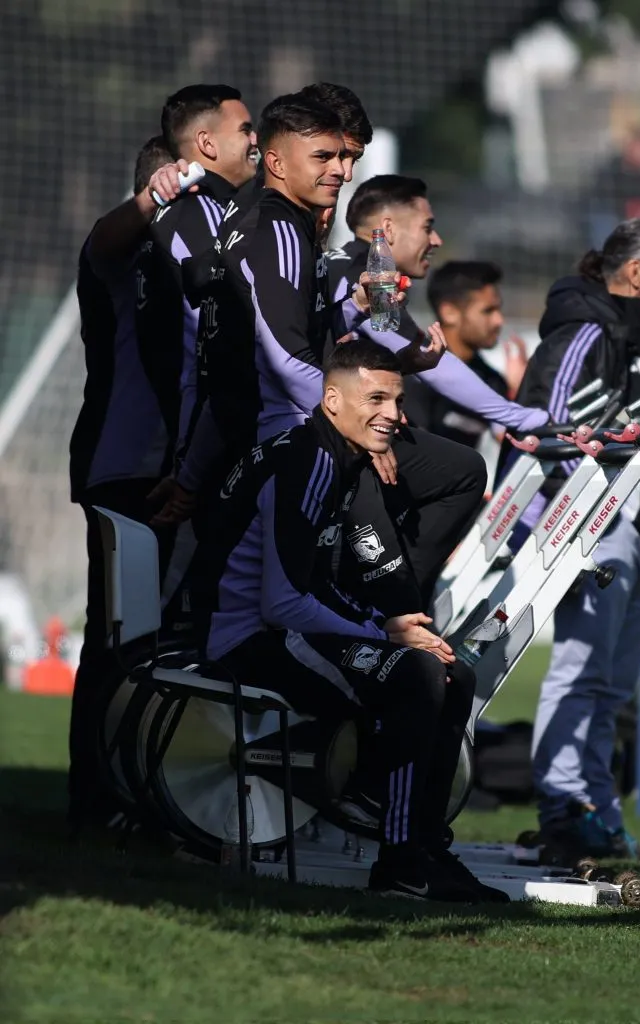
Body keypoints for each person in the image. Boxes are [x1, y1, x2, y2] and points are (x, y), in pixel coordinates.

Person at [200, 338, 508, 903]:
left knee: (450, 673)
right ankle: (395, 850)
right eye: (375, 399)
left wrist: (388, 627)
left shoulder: (331, 455)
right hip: (249, 638)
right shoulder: (310, 462)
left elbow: (311, 587)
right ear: (331, 400)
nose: (392, 415)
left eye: (396, 400)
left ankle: (425, 850)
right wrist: (379, 634)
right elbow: (283, 603)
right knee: (418, 677)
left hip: (284, 629)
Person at [169, 96, 485, 618]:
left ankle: (377, 617)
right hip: (287, 438)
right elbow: (283, 360)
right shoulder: (280, 230)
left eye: (345, 158)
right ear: (277, 161)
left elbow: (278, 340)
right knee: (459, 476)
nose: (342, 171)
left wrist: (354, 308)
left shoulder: (281, 227)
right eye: (326, 158)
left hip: (254, 433)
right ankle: (383, 620)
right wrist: (362, 424)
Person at [512, 217, 640, 861]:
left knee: (613, 687)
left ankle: (597, 809)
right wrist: (586, 516)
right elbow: (543, 426)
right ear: (638, 272)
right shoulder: (588, 326)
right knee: (582, 670)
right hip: (591, 523)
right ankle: (562, 806)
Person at [67, 136, 197, 831]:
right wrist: (155, 197)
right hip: (127, 472)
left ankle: (156, 794)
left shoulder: (207, 259)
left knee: (174, 637)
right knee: (119, 639)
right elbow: (103, 236)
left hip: (184, 471)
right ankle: (96, 798)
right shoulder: (130, 255)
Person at [327, 175, 548, 441]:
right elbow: (436, 367)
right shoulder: (369, 275)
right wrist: (520, 416)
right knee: (463, 470)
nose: (436, 240)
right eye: (427, 227)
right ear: (388, 229)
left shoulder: (338, 263)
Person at [134, 84, 258, 487]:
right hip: (175, 453)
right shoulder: (196, 210)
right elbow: (208, 336)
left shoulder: (216, 208)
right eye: (245, 130)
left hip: (187, 443)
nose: (255, 141)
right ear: (206, 142)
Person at [402, 260, 528, 449]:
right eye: (488, 311)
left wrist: (519, 390)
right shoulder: (413, 371)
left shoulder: (492, 381)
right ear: (449, 313)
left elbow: (518, 444)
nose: (499, 321)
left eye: (498, 309)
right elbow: (412, 448)